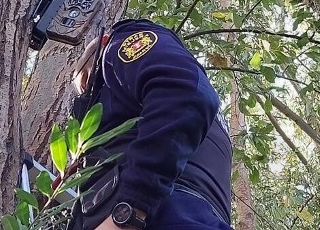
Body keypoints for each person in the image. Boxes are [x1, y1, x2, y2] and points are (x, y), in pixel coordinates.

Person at [68, 19, 232, 230]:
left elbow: (183, 91)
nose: (88, 93)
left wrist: (128, 211)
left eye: (86, 83)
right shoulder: (212, 133)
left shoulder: (119, 44)